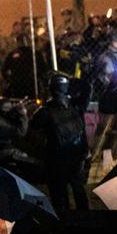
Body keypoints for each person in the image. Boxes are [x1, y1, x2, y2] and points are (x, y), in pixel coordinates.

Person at [31, 72, 89, 213]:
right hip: (73, 156)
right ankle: (83, 219)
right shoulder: (75, 105)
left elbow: (33, 126)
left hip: (59, 158)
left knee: (61, 195)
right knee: (77, 190)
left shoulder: (46, 111)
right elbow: (88, 88)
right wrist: (74, 81)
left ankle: (65, 221)